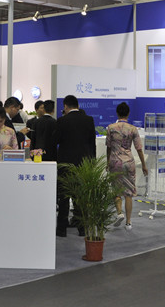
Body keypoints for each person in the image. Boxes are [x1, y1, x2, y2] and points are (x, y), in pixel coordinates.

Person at [54, 95, 96, 237]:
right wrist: (92, 162)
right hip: (83, 164)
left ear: (65, 106)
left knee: (64, 196)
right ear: (77, 105)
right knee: (80, 196)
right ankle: (82, 228)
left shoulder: (62, 121)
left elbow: (56, 140)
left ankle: (61, 229)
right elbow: (92, 143)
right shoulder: (89, 120)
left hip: (65, 163)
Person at [106, 102, 148, 231]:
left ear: (117, 113)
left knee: (116, 190)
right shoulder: (133, 129)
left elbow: (108, 147)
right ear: (128, 113)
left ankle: (119, 212)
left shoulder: (111, 128)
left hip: (115, 161)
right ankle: (128, 222)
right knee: (128, 193)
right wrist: (144, 165)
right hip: (129, 162)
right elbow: (139, 148)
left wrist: (108, 162)